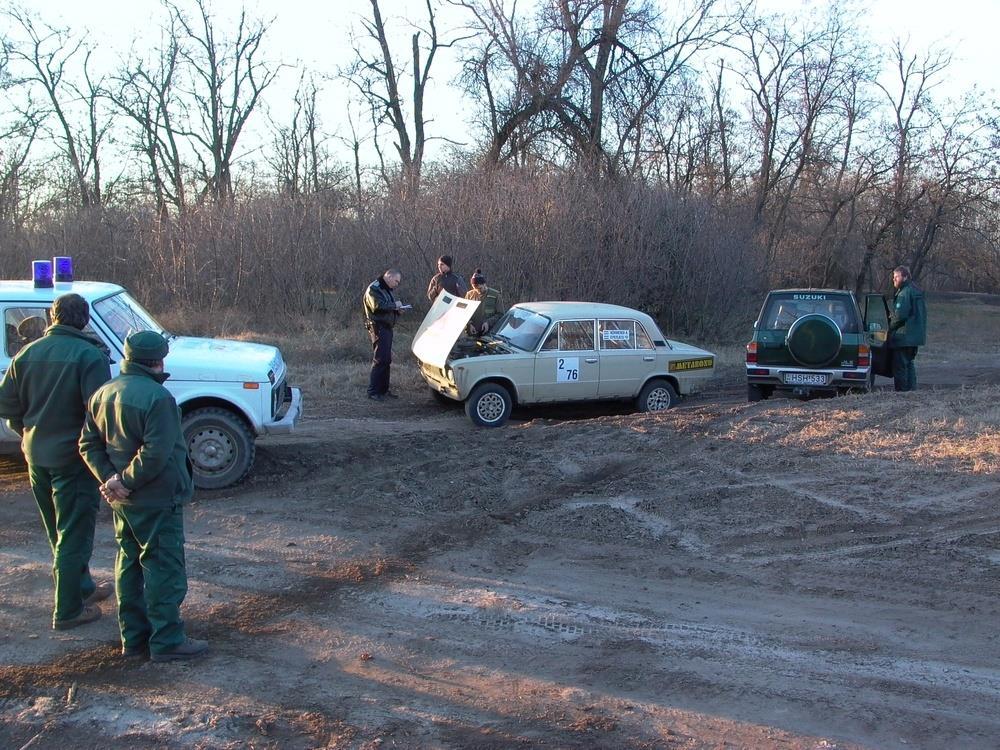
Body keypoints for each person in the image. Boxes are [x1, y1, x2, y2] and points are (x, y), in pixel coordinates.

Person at [79, 330, 207, 662]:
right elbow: (156, 453)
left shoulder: (103, 393)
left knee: (129, 566)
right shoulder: (157, 398)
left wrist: (111, 480)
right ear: (159, 359)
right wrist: (124, 480)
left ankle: (133, 639)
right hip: (156, 497)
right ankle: (167, 640)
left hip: (123, 500)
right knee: (163, 567)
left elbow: (88, 445)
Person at [0, 294, 112, 630]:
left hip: (36, 456)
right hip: (74, 461)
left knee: (58, 531)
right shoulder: (89, 357)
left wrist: (30, 432)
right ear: (84, 320)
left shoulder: (26, 353)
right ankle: (68, 610)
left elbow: (7, 409)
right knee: (74, 534)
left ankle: (82, 588)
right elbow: (100, 414)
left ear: (52, 317)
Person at [363, 269, 406, 401]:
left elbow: (387, 308)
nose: (397, 284)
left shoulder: (386, 289)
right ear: (389, 277)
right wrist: (395, 305)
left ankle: (384, 390)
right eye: (396, 281)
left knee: (386, 359)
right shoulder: (374, 289)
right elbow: (378, 306)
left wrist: (398, 310)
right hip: (378, 327)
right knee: (380, 359)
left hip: (386, 327)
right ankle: (373, 391)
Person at [888, 265, 927, 392]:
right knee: (909, 364)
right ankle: (911, 392)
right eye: (893, 277)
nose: (894, 280)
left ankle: (901, 393)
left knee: (900, 367)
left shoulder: (904, 293)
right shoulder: (915, 290)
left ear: (904, 277)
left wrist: (890, 328)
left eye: (896, 277)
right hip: (915, 337)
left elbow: (900, 316)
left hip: (903, 336)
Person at [465, 268, 506, 335]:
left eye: (479, 288)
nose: (478, 291)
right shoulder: (469, 295)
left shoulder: (496, 295)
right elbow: (464, 313)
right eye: (475, 289)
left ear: (484, 284)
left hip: (488, 334)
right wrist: (469, 324)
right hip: (471, 334)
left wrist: (488, 323)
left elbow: (500, 314)